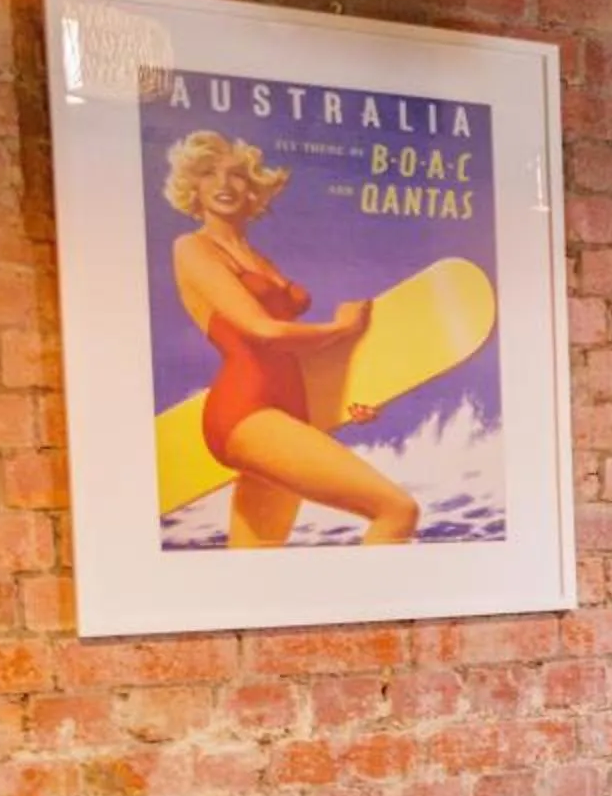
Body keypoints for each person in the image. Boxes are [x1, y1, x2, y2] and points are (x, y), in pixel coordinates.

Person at [163, 130, 420, 548]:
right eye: (210, 174)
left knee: (251, 572)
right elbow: (262, 330)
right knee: (398, 510)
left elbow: (297, 353)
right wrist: (341, 327)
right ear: (193, 184)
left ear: (254, 188)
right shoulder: (192, 248)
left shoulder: (257, 258)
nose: (224, 186)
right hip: (246, 411)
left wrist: (354, 395)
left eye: (237, 176)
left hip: (290, 412)